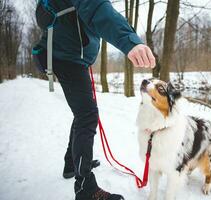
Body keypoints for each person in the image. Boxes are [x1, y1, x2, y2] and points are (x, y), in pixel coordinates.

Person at [35, 0, 155, 200]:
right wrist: (130, 41)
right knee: (87, 115)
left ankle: (72, 164)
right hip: (68, 58)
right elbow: (97, 8)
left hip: (68, 56)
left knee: (83, 113)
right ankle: (85, 188)